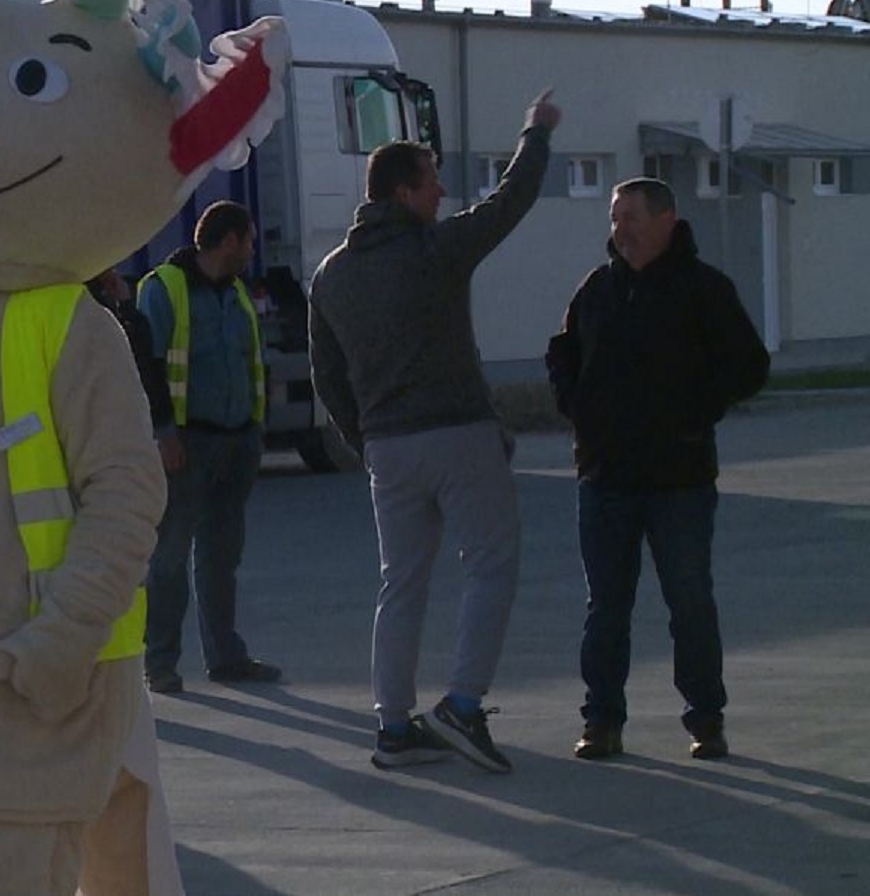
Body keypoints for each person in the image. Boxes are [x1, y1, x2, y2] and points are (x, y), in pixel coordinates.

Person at [307, 89, 560, 772]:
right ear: (401, 192)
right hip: (456, 430)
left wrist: (366, 440)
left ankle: (394, 727)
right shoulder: (434, 252)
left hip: (387, 447)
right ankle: (463, 707)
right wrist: (534, 134)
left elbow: (325, 375)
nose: (442, 192)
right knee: (491, 565)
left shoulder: (331, 276)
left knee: (402, 583)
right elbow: (508, 205)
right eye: (432, 181)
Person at [546, 178, 769, 761]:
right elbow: (563, 357)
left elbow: (749, 365)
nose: (621, 230)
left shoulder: (703, 290)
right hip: (606, 480)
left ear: (668, 220)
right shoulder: (597, 290)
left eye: (632, 218)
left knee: (690, 602)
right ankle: (601, 722)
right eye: (615, 219)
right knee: (606, 607)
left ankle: (706, 718)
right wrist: (581, 416)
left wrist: (696, 410)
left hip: (681, 480)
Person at [137, 200, 280, 696]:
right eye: (250, 240)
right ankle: (159, 663)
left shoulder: (236, 293)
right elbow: (147, 365)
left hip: (236, 440)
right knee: (170, 555)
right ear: (230, 241)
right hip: (187, 444)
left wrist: (255, 431)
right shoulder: (164, 290)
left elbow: (249, 362)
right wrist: (163, 432)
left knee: (222, 554)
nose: (253, 249)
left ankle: (226, 657)